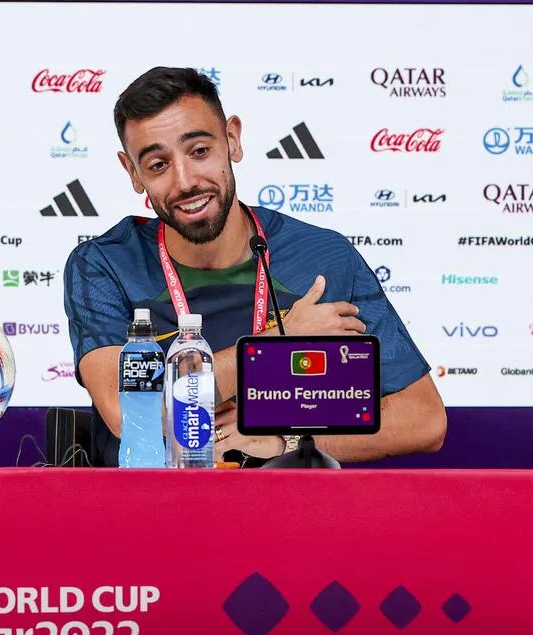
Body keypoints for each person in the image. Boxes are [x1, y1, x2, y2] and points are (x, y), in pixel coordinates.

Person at [63, 67, 446, 467]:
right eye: (158, 164)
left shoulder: (323, 257)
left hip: (283, 517)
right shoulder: (103, 264)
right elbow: (129, 414)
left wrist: (287, 437)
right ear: (133, 173)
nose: (186, 181)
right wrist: (279, 344)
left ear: (232, 139)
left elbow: (424, 420)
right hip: (152, 513)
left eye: (199, 151)